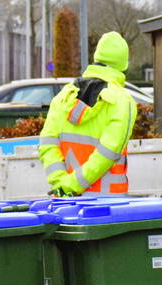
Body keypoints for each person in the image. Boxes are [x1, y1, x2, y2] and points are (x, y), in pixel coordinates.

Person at [38, 31, 137, 196]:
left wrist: (61, 183)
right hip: (108, 208)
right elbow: (108, 154)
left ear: (96, 58)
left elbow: (47, 144)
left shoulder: (64, 95)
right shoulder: (122, 102)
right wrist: (72, 185)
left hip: (65, 200)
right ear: (124, 65)